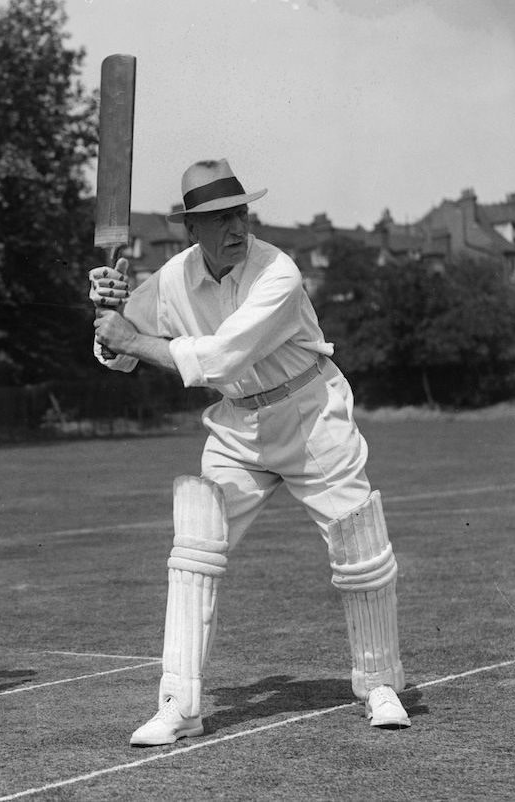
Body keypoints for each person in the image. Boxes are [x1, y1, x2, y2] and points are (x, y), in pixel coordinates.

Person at [89, 159, 410, 746]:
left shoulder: (278, 273)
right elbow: (118, 354)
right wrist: (109, 313)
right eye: (219, 218)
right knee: (195, 545)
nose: (236, 227)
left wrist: (130, 335)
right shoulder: (171, 279)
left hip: (312, 417)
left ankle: (379, 683)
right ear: (192, 227)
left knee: (360, 548)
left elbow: (221, 359)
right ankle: (179, 703)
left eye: (240, 212)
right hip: (238, 428)